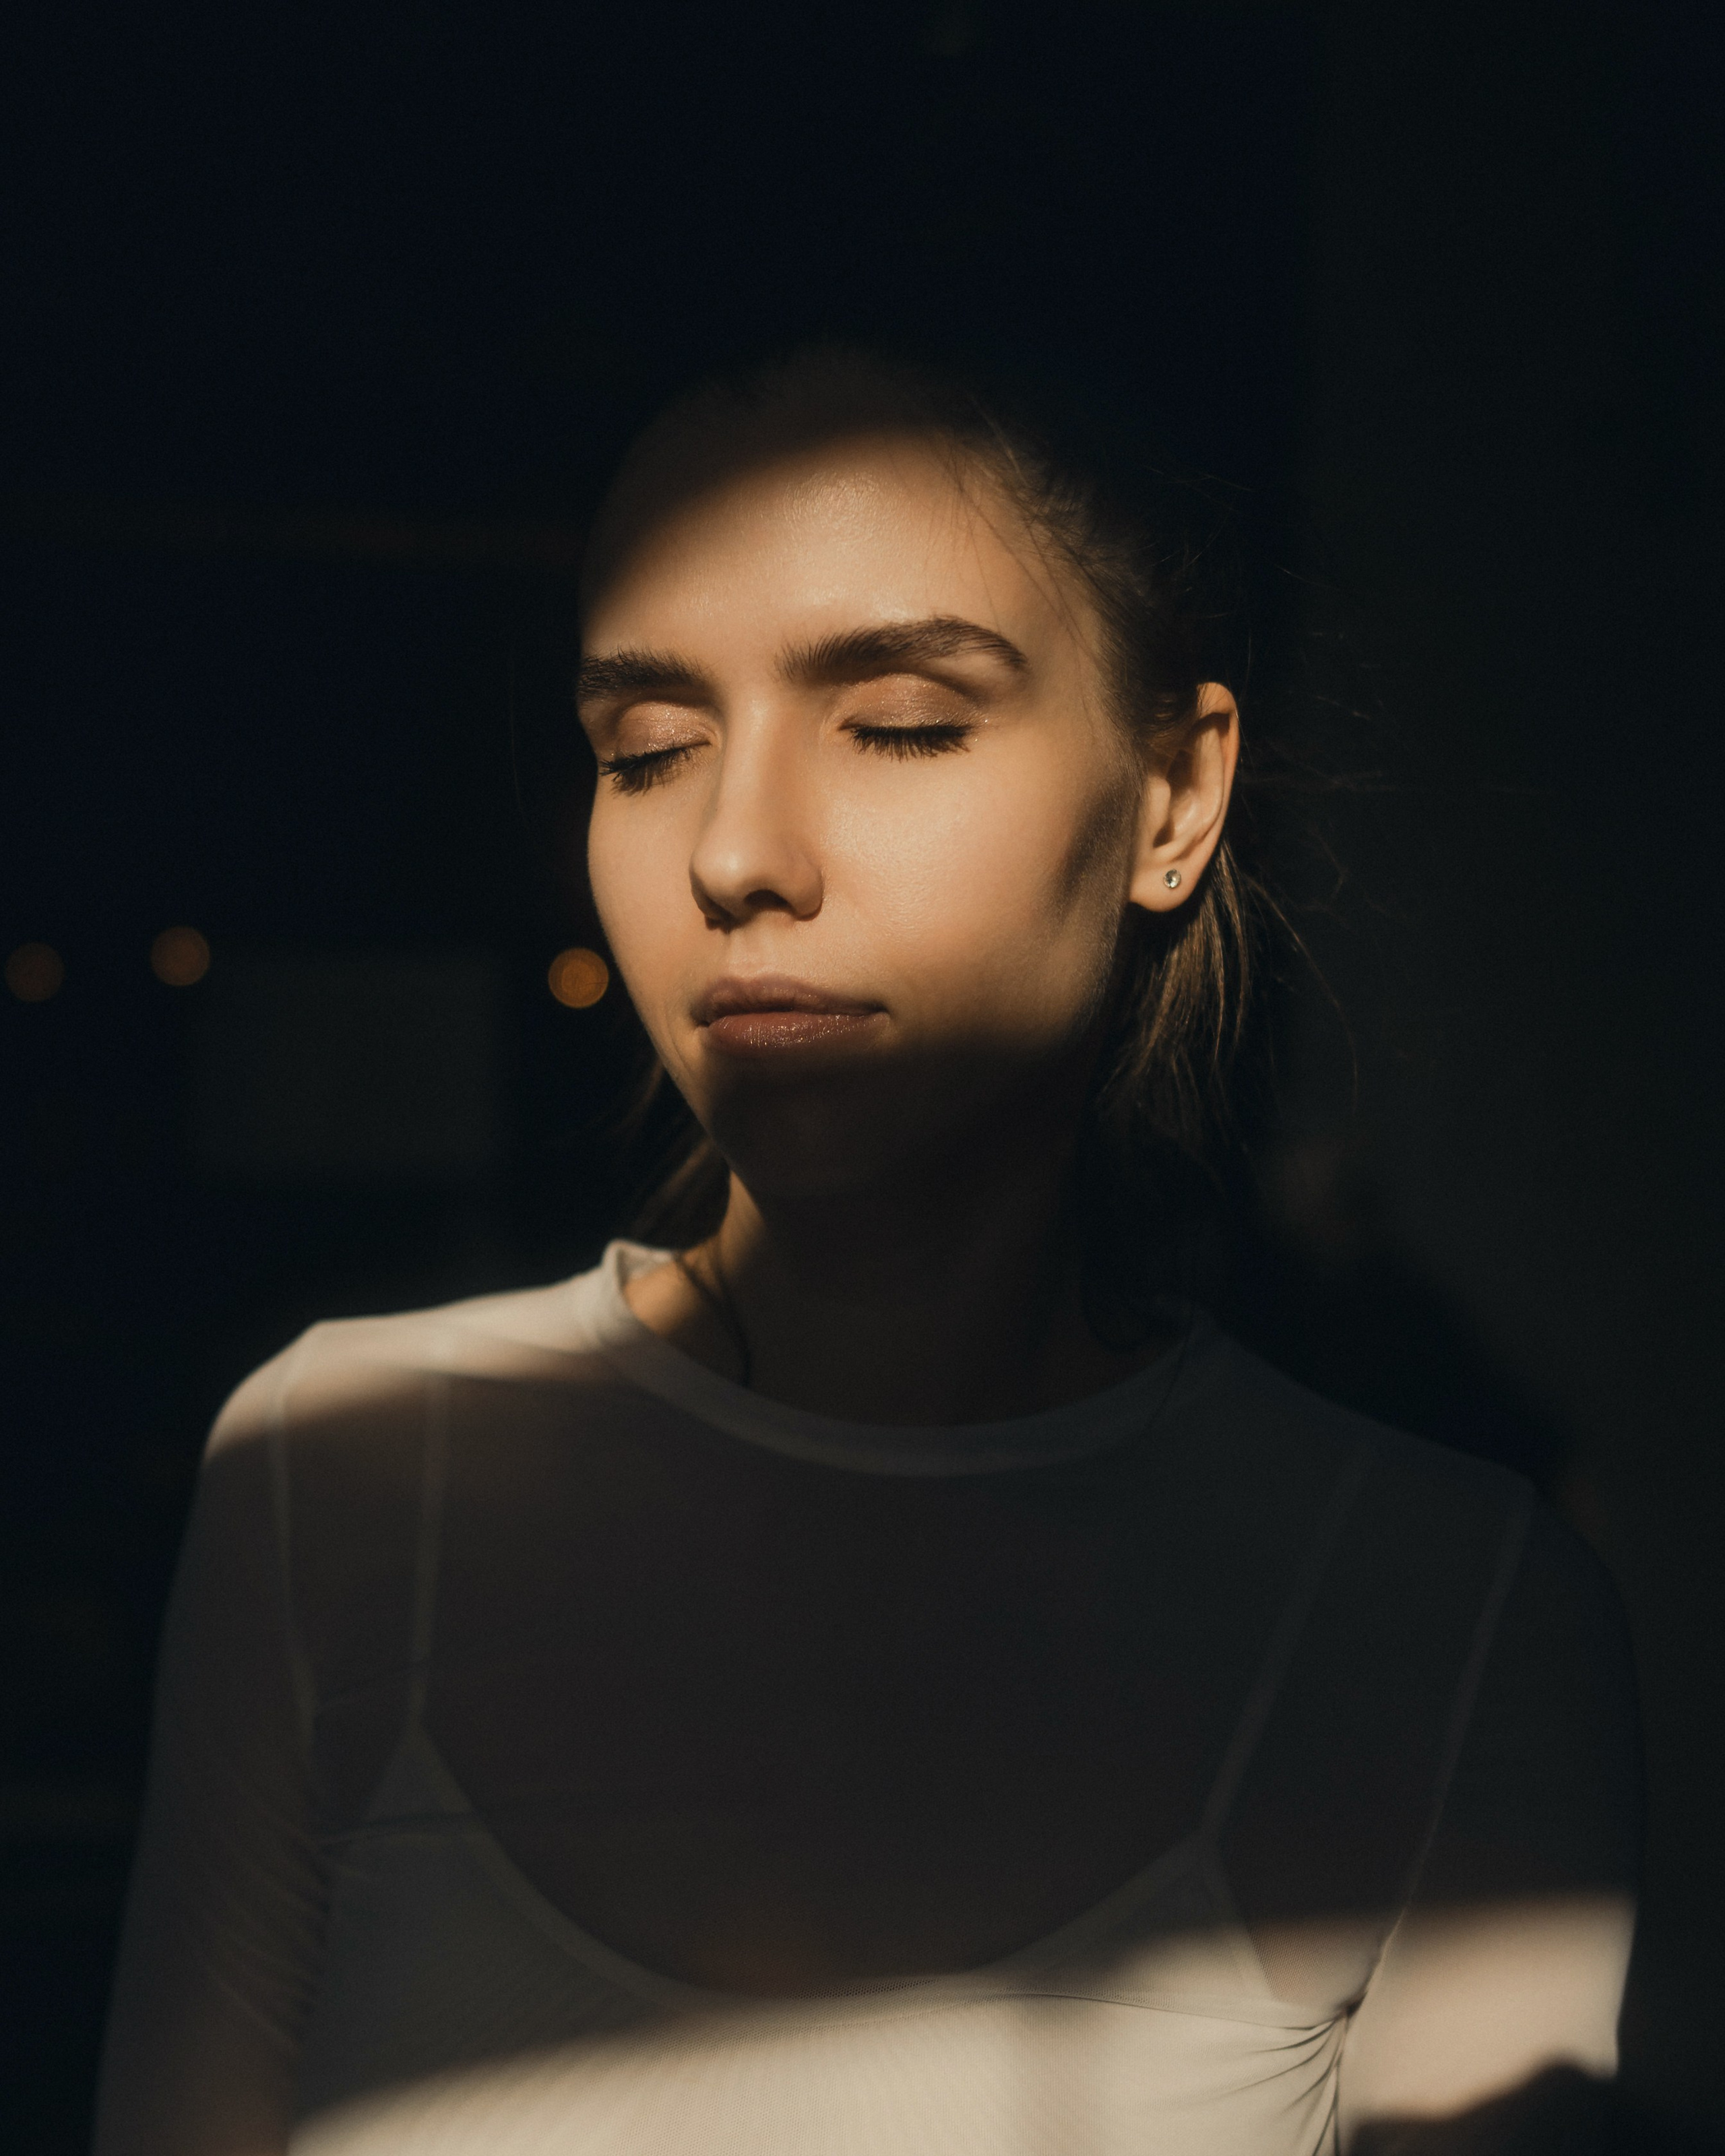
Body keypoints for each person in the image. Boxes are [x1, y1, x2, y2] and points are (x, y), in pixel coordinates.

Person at [94, 347, 1640, 2155]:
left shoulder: (1440, 1619)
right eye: (646, 750)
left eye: (901, 721)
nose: (736, 852)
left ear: (1172, 800)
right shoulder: (343, 1476)